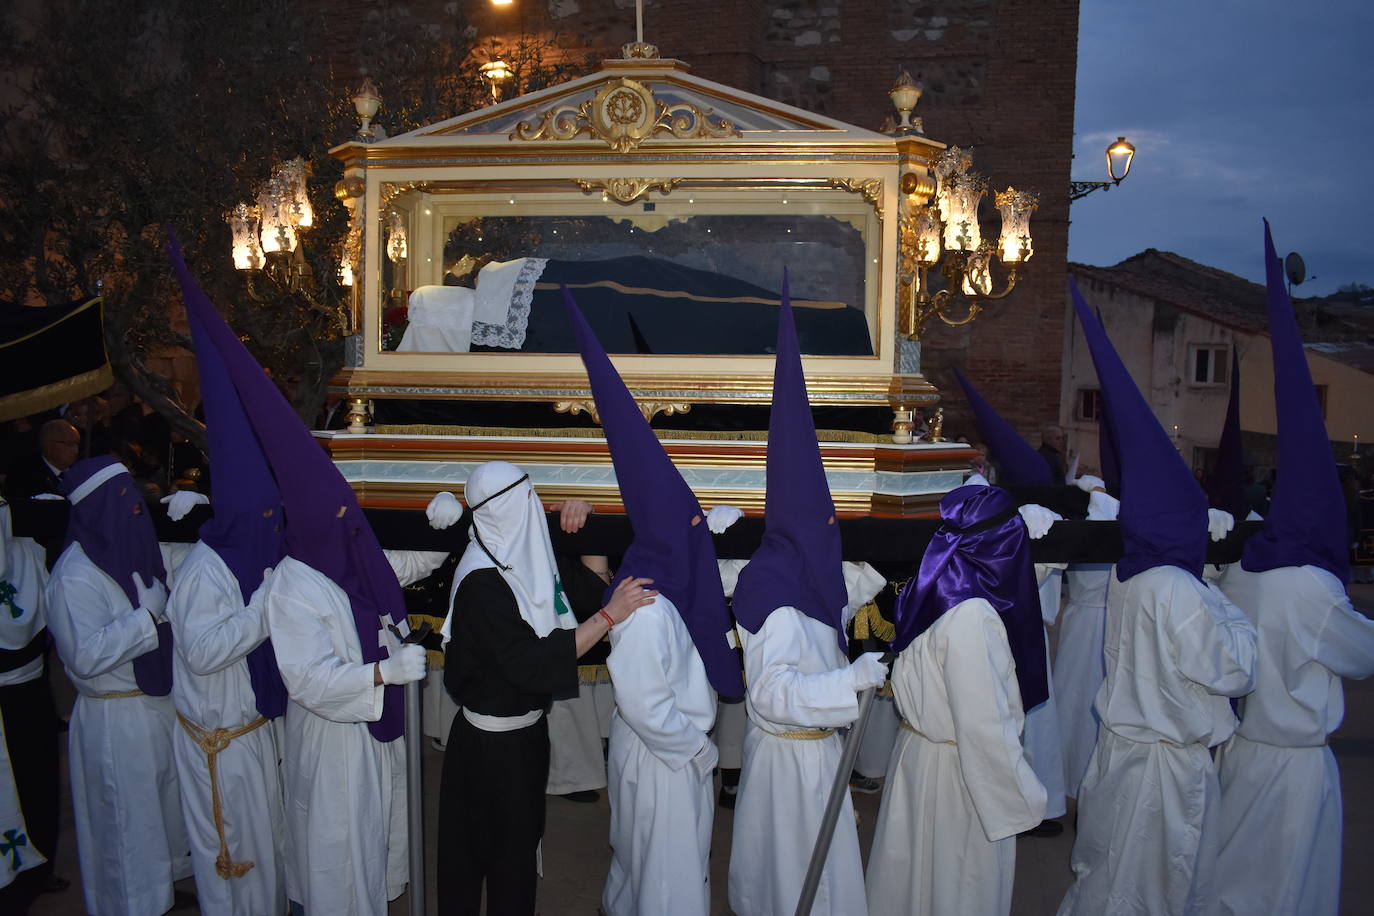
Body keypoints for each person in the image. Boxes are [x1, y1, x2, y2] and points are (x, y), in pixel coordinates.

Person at [169, 238, 436, 916]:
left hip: (336, 738)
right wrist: (381, 674)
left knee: (360, 853)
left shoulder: (329, 557)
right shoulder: (285, 580)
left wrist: (451, 532)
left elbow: (385, 568)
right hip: (323, 731)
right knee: (329, 858)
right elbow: (310, 678)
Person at [1058, 280, 1256, 916]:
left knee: (1113, 873)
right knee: (1146, 889)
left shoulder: (1132, 574)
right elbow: (1230, 667)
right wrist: (1233, 612)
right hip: (1164, 769)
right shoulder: (1176, 587)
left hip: (1128, 754)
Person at [563, 289, 745, 916]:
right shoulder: (642, 607)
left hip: (671, 755)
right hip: (664, 758)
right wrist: (695, 751)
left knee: (652, 864)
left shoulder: (670, 587)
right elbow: (643, 702)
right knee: (664, 874)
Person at [1210, 223, 1374, 915]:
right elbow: (1361, 657)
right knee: (1282, 890)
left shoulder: (1247, 567)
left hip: (1244, 751)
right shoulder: (1312, 587)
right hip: (1295, 763)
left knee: (1229, 880)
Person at [727, 285, 888, 916]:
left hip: (817, 757)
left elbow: (850, 589)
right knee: (793, 882)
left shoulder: (806, 576)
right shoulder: (776, 596)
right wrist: (849, 679)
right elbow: (770, 693)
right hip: (791, 766)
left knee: (825, 881)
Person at [429, 464, 655, 914]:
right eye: (528, 496)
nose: (537, 504)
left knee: (517, 855)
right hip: (487, 747)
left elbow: (589, 592)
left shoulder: (525, 552)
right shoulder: (480, 580)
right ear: (509, 507)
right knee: (476, 860)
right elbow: (532, 663)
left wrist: (588, 520)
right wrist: (610, 618)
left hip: (526, 735)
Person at [866, 484, 1049, 916]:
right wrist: (1022, 795)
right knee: (957, 884)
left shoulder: (933, 588)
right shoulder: (974, 616)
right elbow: (982, 727)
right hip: (961, 775)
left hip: (922, 758)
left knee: (916, 881)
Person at [163, 291, 289, 916]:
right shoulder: (205, 576)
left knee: (263, 845)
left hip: (246, 733)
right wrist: (267, 603)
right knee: (232, 856)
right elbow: (206, 651)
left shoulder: (242, 557)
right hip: (217, 743)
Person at [44, 456, 193, 916]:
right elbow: (84, 657)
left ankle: (162, 893)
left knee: (161, 816)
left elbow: (184, 564)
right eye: (124, 502)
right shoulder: (74, 575)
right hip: (114, 716)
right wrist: (144, 618)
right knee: (126, 825)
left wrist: (202, 513)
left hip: (154, 705)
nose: (136, 512)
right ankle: (133, 905)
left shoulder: (131, 549)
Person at [0, 498, 64, 911]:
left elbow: (44, 621)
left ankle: (35, 869)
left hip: (26, 689)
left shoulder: (26, 552)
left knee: (36, 779)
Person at [1055, 475, 1119, 798]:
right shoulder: (1099, 531)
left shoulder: (1086, 530)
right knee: (1077, 704)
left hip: (1085, 623)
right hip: (1091, 624)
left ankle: (1075, 780)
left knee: (1078, 703)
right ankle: (1072, 779)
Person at [2, 419, 79, 500]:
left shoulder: (79, 470)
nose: (76, 450)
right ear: (48, 445)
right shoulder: (25, 476)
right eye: (69, 444)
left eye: (77, 444)